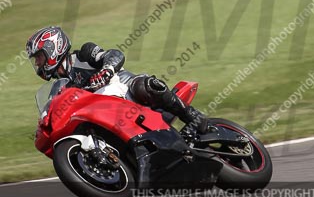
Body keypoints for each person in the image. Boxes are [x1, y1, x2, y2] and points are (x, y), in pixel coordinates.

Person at [26, 26, 208, 134]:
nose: (38, 63)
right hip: (106, 115)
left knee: (145, 86)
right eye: (36, 61)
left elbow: (115, 54)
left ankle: (193, 117)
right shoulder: (59, 88)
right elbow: (53, 111)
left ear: (53, 48)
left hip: (125, 91)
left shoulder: (84, 55)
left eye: (39, 57)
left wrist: (107, 69)